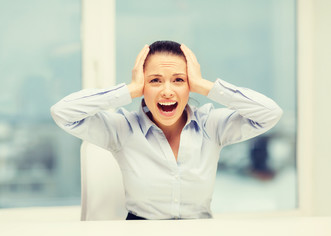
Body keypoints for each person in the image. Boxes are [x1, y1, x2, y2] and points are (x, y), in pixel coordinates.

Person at [50, 40, 282, 220]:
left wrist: (205, 86)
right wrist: (129, 89)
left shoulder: (211, 125)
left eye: (179, 80)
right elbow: (63, 113)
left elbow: (269, 113)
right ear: (143, 86)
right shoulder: (122, 129)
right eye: (155, 81)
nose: (167, 91)